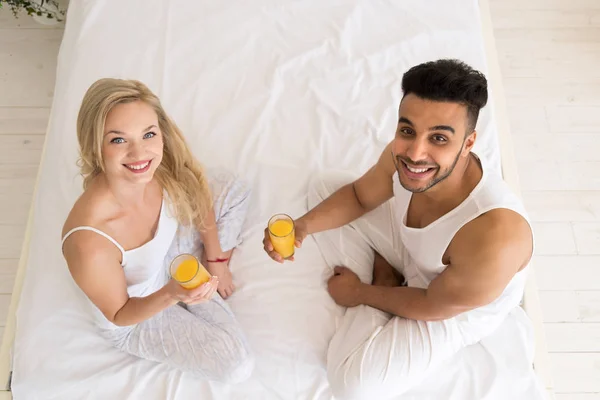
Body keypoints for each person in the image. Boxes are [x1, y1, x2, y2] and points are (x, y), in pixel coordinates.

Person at [263, 59, 535, 398]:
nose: (415, 154)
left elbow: (431, 304)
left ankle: (385, 280)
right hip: (414, 247)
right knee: (322, 188)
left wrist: (360, 293)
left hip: (447, 305)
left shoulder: (496, 236)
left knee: (352, 387)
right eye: (407, 131)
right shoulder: (400, 154)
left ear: (468, 143)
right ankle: (388, 276)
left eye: (438, 138)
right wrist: (301, 227)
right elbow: (361, 197)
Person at [61, 78, 254, 383]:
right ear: (94, 147)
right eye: (118, 140)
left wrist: (216, 260)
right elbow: (120, 314)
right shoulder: (90, 242)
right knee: (236, 365)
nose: (140, 154)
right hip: (138, 312)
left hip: (169, 253)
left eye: (148, 134)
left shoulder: (158, 167)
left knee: (234, 188)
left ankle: (205, 267)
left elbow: (196, 192)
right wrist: (172, 293)